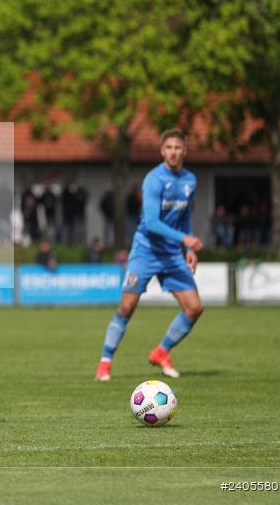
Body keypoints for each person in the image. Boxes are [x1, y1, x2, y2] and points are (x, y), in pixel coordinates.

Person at [95, 129, 204, 382]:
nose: (173, 152)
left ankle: (161, 352)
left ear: (185, 151)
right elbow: (152, 223)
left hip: (172, 254)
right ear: (162, 151)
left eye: (178, 148)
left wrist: (188, 249)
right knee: (126, 307)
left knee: (194, 308)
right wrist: (185, 239)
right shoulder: (154, 180)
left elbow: (185, 217)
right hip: (146, 251)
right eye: (169, 148)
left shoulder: (190, 180)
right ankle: (105, 363)